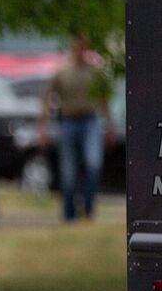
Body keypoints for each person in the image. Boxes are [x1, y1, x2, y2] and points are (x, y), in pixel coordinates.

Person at [36, 34, 117, 222]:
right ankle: (69, 213)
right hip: (67, 121)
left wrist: (109, 125)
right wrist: (42, 129)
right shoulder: (62, 72)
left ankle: (88, 209)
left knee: (93, 163)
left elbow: (104, 100)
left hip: (90, 120)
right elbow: (46, 101)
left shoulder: (95, 72)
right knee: (69, 171)